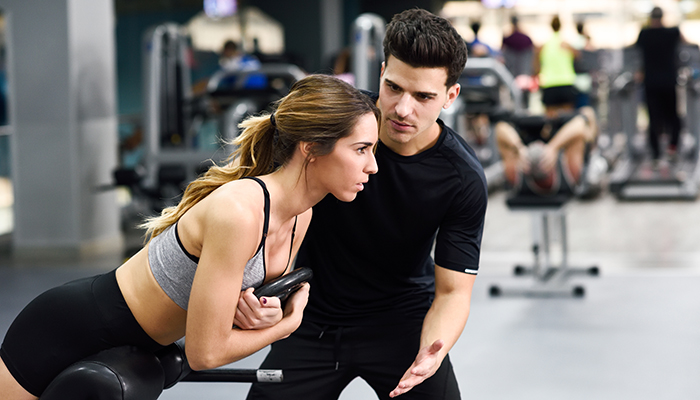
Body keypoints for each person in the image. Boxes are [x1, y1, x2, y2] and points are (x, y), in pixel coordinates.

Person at [0, 74, 380, 400]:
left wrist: (263, 314)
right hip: (67, 329)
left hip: (136, 340)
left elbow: (229, 307)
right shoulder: (241, 212)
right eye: (361, 149)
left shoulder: (302, 215)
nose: (373, 166)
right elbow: (205, 353)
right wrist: (286, 325)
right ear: (311, 146)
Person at [246, 8, 487, 400]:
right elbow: (269, 214)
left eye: (423, 96)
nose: (402, 109)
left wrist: (433, 351)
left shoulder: (461, 178)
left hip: (403, 322)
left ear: (450, 96)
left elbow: (453, 293)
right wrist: (262, 292)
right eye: (393, 87)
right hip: (311, 318)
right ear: (380, 73)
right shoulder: (331, 128)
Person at [494, 106, 598, 196]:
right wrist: (553, 147)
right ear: (550, 165)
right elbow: (580, 124)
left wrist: (520, 148)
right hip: (563, 138)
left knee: (530, 117)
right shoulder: (571, 172)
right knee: (588, 113)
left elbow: (500, 128)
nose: (538, 143)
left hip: (531, 139)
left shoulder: (515, 176)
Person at [635, 6, 684, 162]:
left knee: (653, 118)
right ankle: (672, 147)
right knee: (673, 116)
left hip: (651, 82)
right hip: (668, 81)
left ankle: (656, 153)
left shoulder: (644, 34)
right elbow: (687, 43)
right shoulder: (672, 33)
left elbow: (634, 53)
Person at [534, 16, 580, 117]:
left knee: (550, 120)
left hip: (549, 84)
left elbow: (536, 67)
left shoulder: (543, 46)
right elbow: (579, 57)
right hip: (566, 83)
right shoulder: (567, 45)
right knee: (568, 120)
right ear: (561, 26)